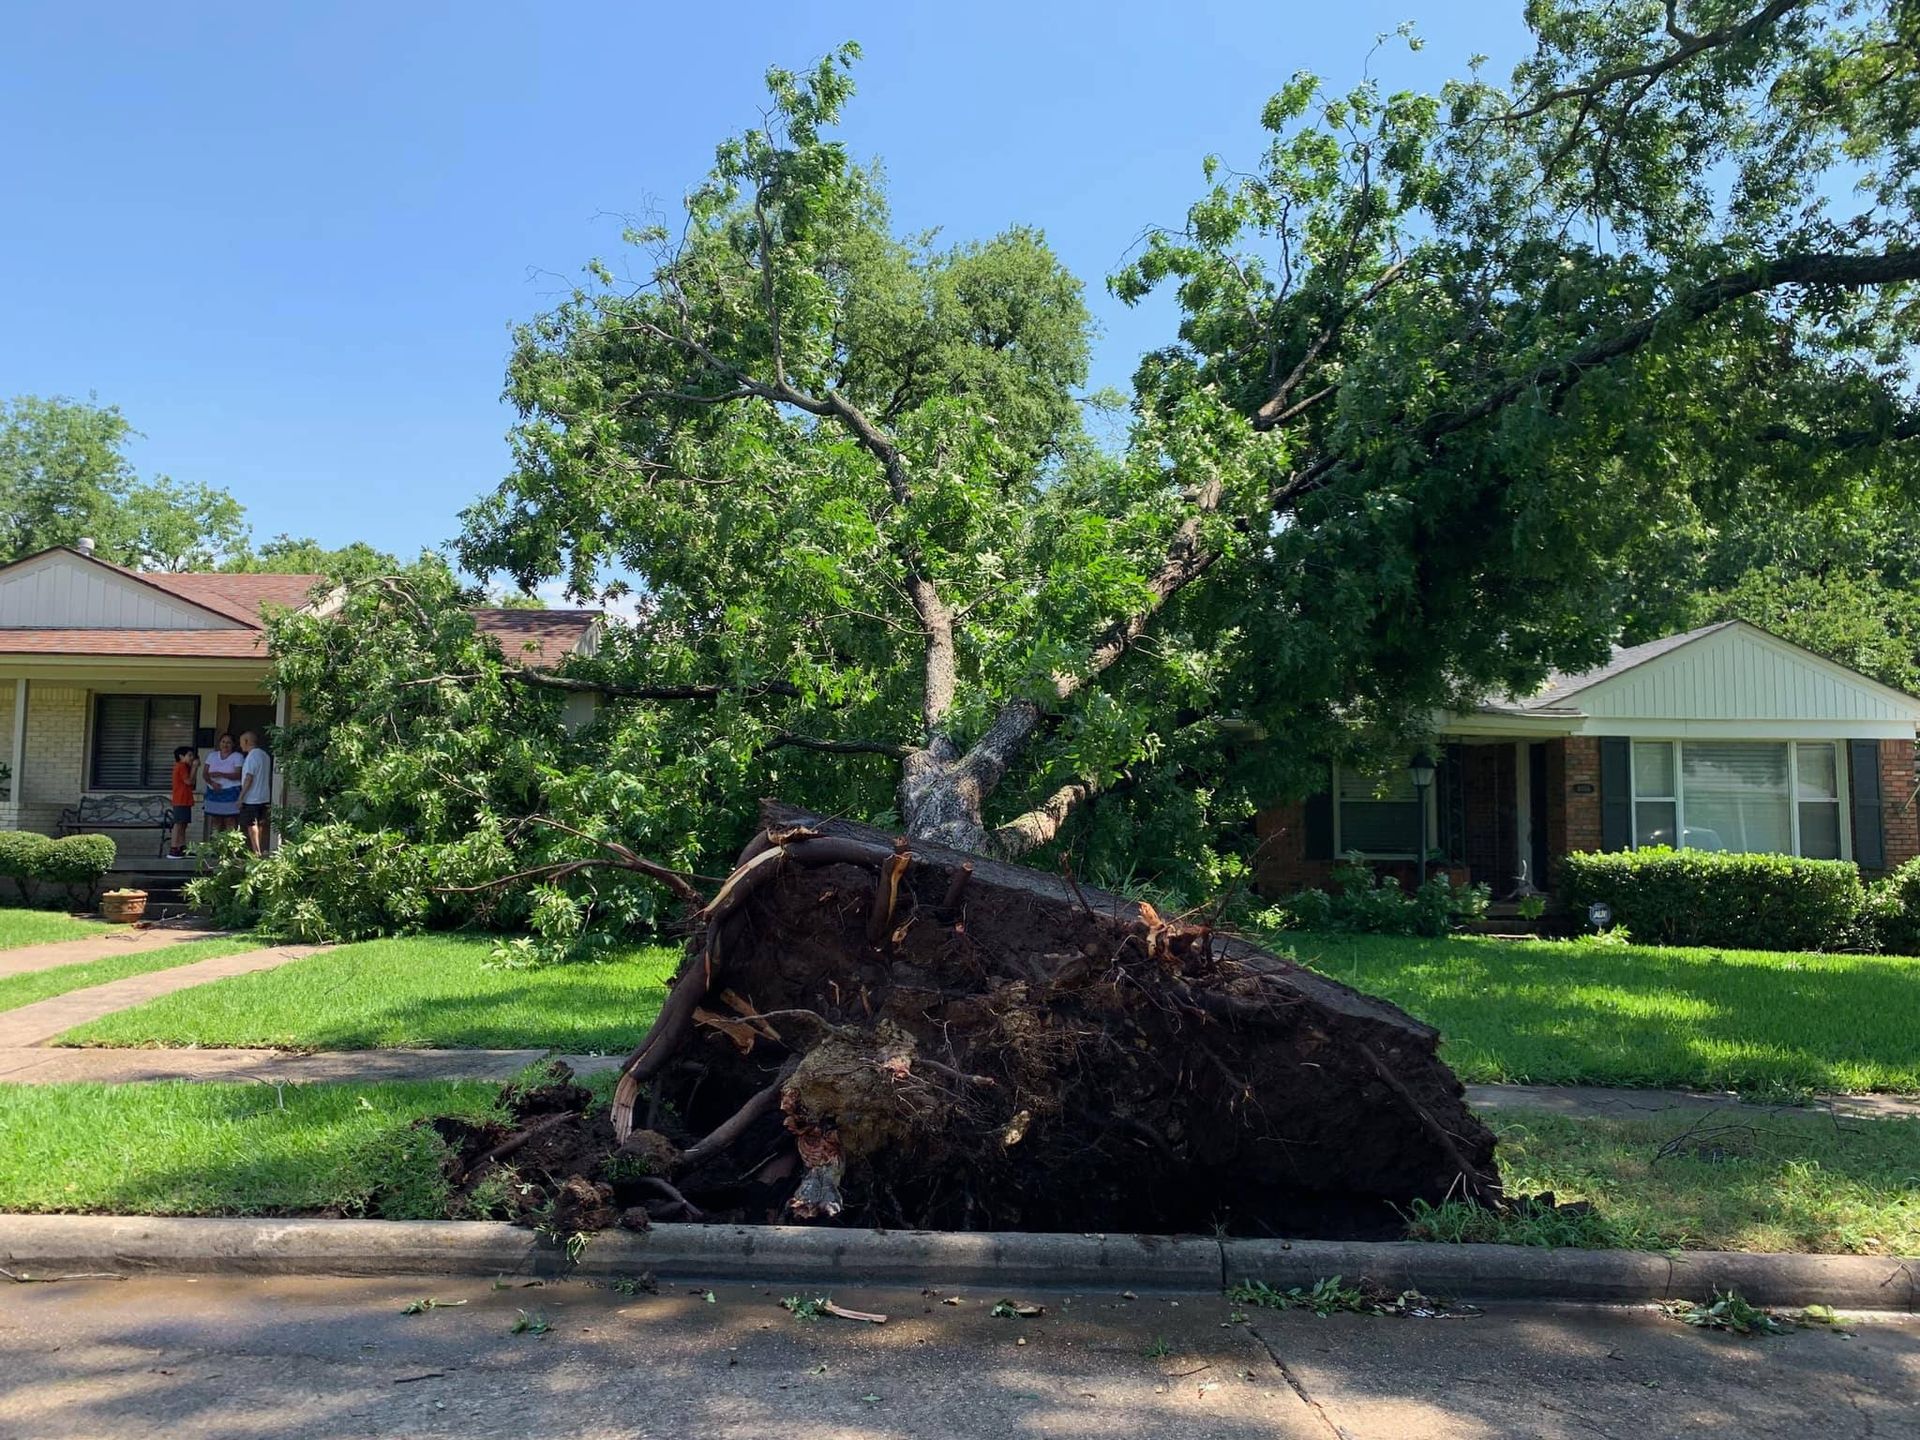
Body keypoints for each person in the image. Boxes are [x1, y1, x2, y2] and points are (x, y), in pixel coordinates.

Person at [238, 730, 273, 856]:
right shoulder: (265, 755)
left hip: (251, 797)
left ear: (247, 741)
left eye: (242, 742)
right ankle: (261, 849)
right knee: (261, 823)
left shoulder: (252, 756)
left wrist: (241, 797)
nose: (240, 745)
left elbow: (249, 777)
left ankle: (256, 851)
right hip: (264, 796)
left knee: (251, 824)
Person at [201, 732, 244, 834]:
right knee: (216, 819)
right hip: (214, 792)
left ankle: (231, 845)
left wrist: (221, 774)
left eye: (228, 742)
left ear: (233, 744)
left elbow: (239, 775)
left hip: (231, 792)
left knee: (230, 819)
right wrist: (212, 783)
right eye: (223, 742)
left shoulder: (237, 756)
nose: (225, 745)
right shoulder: (212, 755)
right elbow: (205, 773)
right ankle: (216, 845)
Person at [167, 744, 198, 858]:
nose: (192, 758)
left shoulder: (185, 767)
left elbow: (192, 782)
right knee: (179, 824)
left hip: (185, 799)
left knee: (183, 824)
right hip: (180, 799)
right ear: (181, 756)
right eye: (189, 755)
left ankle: (182, 847)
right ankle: (174, 848)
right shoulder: (181, 766)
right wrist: (194, 768)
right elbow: (189, 781)